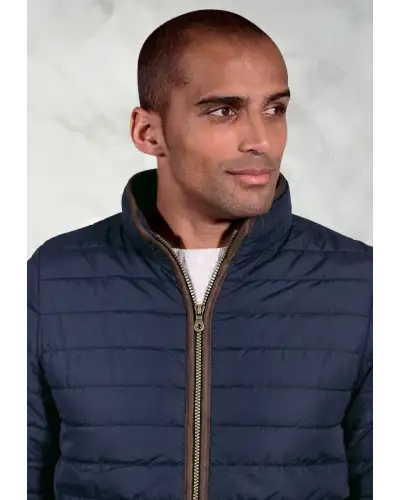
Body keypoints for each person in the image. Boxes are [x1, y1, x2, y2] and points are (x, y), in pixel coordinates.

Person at [25, 9, 375, 500]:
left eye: (274, 109)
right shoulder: (53, 279)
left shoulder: (361, 284)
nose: (261, 139)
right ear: (149, 133)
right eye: (223, 111)